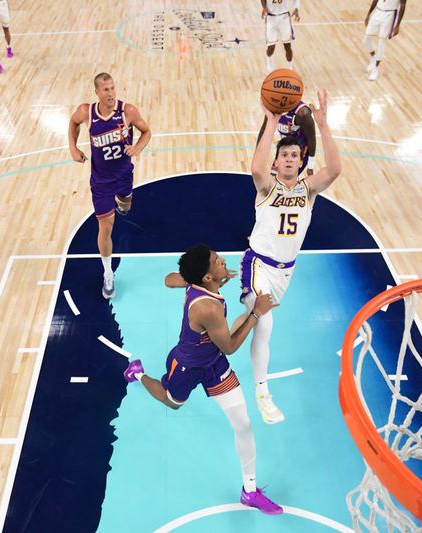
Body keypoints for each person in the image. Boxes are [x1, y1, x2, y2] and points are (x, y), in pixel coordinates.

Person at [124, 244, 283, 515]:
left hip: (213, 365)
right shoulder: (207, 307)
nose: (221, 259)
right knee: (171, 401)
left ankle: (250, 490)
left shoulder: (198, 280)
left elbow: (168, 279)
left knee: (243, 424)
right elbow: (230, 346)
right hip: (187, 366)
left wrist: (212, 278)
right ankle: (137, 373)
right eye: (216, 261)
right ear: (206, 277)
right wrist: (256, 312)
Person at [242, 90, 341, 424]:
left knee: (257, 325)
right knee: (264, 323)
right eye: (283, 155)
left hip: (286, 272)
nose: (288, 159)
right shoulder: (266, 187)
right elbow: (256, 166)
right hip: (256, 264)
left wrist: (324, 125)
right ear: (277, 162)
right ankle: (262, 393)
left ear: (301, 162)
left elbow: (335, 169)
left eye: (294, 155)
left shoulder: (308, 192)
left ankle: (214, 338)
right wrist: (270, 122)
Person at [68, 72, 151, 299]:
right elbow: (73, 122)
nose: (111, 94)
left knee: (125, 207)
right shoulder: (87, 112)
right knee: (106, 226)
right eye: (106, 90)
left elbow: (146, 132)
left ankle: (121, 203)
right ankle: (108, 273)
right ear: (97, 92)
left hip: (124, 175)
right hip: (101, 181)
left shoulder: (128, 111)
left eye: (113, 88)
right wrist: (73, 148)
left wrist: (137, 148)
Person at [257, 100, 317, 177]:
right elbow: (263, 130)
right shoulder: (273, 105)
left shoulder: (302, 113)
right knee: (273, 179)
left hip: (299, 152)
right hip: (284, 149)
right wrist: (257, 155)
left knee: (284, 181)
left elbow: (311, 138)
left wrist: (311, 165)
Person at [363, 0, 406, 81]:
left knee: (381, 43)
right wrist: (368, 14)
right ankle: (374, 57)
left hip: (389, 15)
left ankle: (375, 69)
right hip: (377, 12)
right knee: (366, 39)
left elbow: (403, 6)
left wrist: (397, 25)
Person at [261, 0, 300, 72]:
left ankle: (289, 67)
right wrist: (264, 8)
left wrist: (296, 8)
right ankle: (269, 62)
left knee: (287, 46)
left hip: (284, 17)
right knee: (271, 47)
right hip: (271, 17)